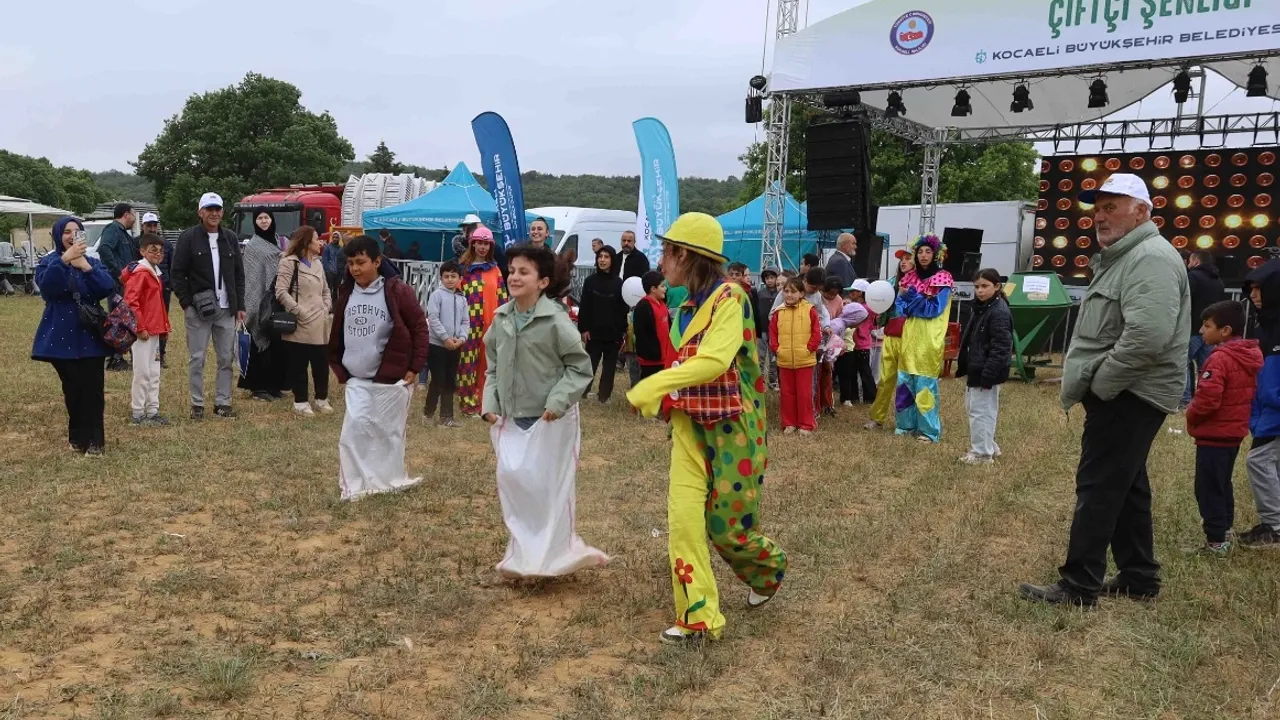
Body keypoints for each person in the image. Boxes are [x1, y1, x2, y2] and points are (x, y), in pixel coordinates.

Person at [1020, 173, 1189, 606]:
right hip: (1129, 392)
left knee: (1098, 486)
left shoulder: (1149, 258)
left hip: (1129, 393)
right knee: (1127, 485)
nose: (1100, 216)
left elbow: (1147, 337)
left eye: (1111, 207)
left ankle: (1079, 585)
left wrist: (1103, 384)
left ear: (1142, 211)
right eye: (1097, 209)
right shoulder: (1129, 257)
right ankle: (1138, 576)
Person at [626, 212, 787, 646]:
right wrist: (666, 397)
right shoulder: (683, 307)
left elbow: (715, 359)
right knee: (683, 524)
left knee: (727, 529)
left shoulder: (731, 298)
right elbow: (686, 365)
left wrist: (655, 384)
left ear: (686, 255)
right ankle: (698, 618)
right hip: (690, 430)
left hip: (735, 431)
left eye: (667, 251)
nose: (661, 259)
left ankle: (768, 570)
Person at [482, 246, 607, 577]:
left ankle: (553, 556)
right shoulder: (502, 319)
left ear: (543, 282)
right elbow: (492, 365)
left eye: (524, 272)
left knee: (548, 489)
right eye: (512, 271)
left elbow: (579, 367)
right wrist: (490, 403)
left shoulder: (556, 321)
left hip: (551, 420)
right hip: (512, 417)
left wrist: (557, 402)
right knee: (517, 484)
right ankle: (524, 554)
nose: (514, 277)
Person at [329, 234, 430, 500]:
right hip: (356, 378)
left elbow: (419, 328)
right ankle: (353, 485)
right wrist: (338, 365)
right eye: (351, 263)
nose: (355, 268)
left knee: (387, 433)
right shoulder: (346, 292)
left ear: (377, 261)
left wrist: (415, 366)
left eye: (361, 262)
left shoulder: (397, 292)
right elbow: (338, 330)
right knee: (354, 430)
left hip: (390, 378)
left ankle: (386, 479)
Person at [31, 216, 114, 456]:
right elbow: (47, 288)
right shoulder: (49, 262)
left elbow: (107, 287)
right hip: (61, 336)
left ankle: (96, 441)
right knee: (73, 389)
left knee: (93, 390)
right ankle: (78, 438)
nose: (72, 236)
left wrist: (86, 267)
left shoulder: (92, 261)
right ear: (58, 235)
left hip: (90, 335)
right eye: (66, 231)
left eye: (76, 231)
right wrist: (65, 260)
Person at [1185, 300, 1261, 555]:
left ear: (1225, 330)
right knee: (1222, 483)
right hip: (1233, 433)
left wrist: (1191, 414)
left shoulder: (1219, 358)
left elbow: (1208, 399)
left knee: (1208, 488)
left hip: (1214, 434)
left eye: (1207, 326)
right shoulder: (1247, 355)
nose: (1201, 331)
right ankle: (1225, 532)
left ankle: (1216, 541)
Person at [171, 192, 246, 420]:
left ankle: (223, 402)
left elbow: (238, 274)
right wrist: (187, 303)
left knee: (226, 358)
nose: (214, 213)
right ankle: (197, 404)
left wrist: (240, 305)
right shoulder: (188, 238)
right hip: (198, 309)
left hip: (226, 309)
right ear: (200, 212)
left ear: (222, 212)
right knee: (197, 358)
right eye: (210, 209)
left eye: (218, 209)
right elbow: (177, 273)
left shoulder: (230, 238)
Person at [893, 235, 954, 443]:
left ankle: (928, 431)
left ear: (936, 254)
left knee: (924, 383)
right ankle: (905, 425)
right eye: (920, 252)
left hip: (929, 337)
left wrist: (911, 297)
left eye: (928, 251)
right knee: (905, 381)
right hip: (910, 335)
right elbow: (901, 309)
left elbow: (933, 309)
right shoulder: (909, 278)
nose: (923, 255)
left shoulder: (943, 279)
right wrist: (915, 301)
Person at [955, 269, 1012, 465]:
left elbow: (1001, 347)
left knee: (981, 411)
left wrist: (988, 374)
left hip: (986, 371)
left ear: (997, 286)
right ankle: (989, 446)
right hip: (977, 367)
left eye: (985, 286)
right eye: (977, 286)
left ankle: (982, 454)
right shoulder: (983, 308)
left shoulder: (998, 312)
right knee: (977, 409)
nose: (980, 291)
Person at [1241, 261, 1280, 548]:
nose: (1254, 295)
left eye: (1260, 288)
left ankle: (1275, 526)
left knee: (1259, 460)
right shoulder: (1265, 323)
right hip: (1267, 411)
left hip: (1274, 411)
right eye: (1252, 289)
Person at [277, 226, 333, 416]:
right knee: (299, 364)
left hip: (320, 321)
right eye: (317, 239)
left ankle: (321, 399)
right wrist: (298, 311)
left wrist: (326, 307)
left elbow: (326, 290)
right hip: (301, 322)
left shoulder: (318, 263)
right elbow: (281, 292)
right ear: (307, 242)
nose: (321, 242)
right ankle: (300, 402)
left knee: (321, 364)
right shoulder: (288, 262)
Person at [457, 226, 508, 416]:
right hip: (468, 325)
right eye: (479, 243)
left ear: (491, 246)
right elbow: (456, 296)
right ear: (472, 244)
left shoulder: (495, 270)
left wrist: (502, 321)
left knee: (488, 364)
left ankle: (485, 402)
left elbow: (502, 298)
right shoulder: (463, 269)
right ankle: (468, 403)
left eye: (486, 244)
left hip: (490, 324)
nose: (482, 247)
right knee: (467, 363)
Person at [122, 234, 172, 426]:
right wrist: (140, 327)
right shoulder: (141, 273)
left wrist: (163, 327)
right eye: (153, 250)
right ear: (142, 251)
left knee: (153, 372)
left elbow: (156, 305)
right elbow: (131, 302)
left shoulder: (154, 273)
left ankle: (152, 410)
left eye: (160, 251)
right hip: (143, 332)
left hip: (154, 330)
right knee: (142, 372)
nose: (158, 254)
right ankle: (138, 412)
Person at [238, 210, 288, 401]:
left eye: (267, 217)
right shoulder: (253, 246)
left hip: (279, 300)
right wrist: (252, 305)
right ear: (255, 222)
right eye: (259, 218)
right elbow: (251, 276)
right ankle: (258, 387)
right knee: (260, 343)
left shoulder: (281, 241)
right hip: (258, 300)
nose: (264, 221)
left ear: (272, 220)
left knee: (278, 344)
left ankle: (275, 386)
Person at [866, 251, 913, 430]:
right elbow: (882, 306)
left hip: (911, 338)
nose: (903, 262)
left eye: (908, 258)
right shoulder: (892, 283)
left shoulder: (920, 283)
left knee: (907, 381)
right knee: (885, 380)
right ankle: (877, 418)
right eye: (901, 259)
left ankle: (906, 422)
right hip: (892, 336)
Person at [578, 244, 628, 403]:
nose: (602, 260)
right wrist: (583, 329)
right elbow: (584, 306)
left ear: (612, 260)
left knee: (609, 366)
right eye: (600, 256)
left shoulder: (619, 284)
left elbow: (622, 309)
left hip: (613, 333)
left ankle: (604, 395)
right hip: (593, 332)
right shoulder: (590, 281)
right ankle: (583, 392)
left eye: (606, 257)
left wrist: (622, 331)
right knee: (589, 364)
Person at [772, 276, 821, 434]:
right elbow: (773, 333)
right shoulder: (778, 312)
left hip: (804, 360)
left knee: (804, 394)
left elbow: (816, 333)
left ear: (801, 293)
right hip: (784, 359)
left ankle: (806, 424)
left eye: (793, 292)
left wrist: (809, 349)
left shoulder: (810, 310)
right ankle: (789, 423)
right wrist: (777, 349)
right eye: (786, 291)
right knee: (787, 393)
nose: (789, 295)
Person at [425, 260, 468, 427]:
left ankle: (447, 417)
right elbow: (433, 318)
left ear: (460, 278)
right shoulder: (436, 295)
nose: (450, 279)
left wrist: (461, 339)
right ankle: (428, 414)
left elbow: (465, 321)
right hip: (437, 345)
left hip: (455, 346)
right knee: (438, 380)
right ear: (441, 278)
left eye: (453, 276)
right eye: (446, 276)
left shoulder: (462, 298)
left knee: (450, 380)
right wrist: (445, 338)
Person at [97, 202, 137, 372]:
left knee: (126, 319)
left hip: (126, 284)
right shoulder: (113, 229)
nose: (134, 219)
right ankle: (114, 359)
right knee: (117, 320)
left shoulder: (124, 234)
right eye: (133, 215)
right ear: (126, 214)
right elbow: (104, 249)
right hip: (117, 285)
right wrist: (119, 273)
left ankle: (120, 357)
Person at [1184, 251, 1225, 408]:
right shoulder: (1218, 280)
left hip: (1191, 329)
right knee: (1207, 368)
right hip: (1211, 331)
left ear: (1196, 261)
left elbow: (1185, 301)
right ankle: (1205, 398)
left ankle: (1185, 399)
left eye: (1190, 260)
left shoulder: (1192, 277)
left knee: (1183, 364)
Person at [139, 212, 173, 367]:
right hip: (143, 290)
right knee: (142, 321)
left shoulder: (167, 245)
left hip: (162, 289)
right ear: (143, 226)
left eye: (154, 225)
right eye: (149, 225)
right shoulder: (136, 244)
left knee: (161, 321)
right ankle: (140, 355)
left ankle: (161, 355)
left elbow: (172, 265)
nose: (152, 228)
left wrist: (170, 284)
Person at [830, 280, 871, 407]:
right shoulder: (838, 327)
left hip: (847, 351)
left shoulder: (840, 325)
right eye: (860, 321)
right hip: (831, 357)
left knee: (847, 374)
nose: (859, 325)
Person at [633, 271, 674, 382]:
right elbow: (641, 334)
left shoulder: (662, 304)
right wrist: (652, 353)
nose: (665, 289)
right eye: (662, 286)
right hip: (651, 360)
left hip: (664, 357)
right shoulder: (643, 307)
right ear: (653, 289)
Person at [843, 279, 877, 405]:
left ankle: (868, 396)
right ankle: (859, 396)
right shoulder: (866, 307)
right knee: (855, 371)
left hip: (861, 343)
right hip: (855, 342)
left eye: (854, 291)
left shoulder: (866, 308)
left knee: (864, 371)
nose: (850, 293)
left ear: (861, 293)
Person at [755, 269, 779, 387]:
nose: (769, 280)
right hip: (762, 330)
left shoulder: (780, 294)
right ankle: (760, 382)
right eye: (767, 278)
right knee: (760, 356)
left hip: (775, 331)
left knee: (774, 357)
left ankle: (773, 382)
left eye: (772, 278)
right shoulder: (760, 293)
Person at [322, 230, 344, 306]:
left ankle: (334, 306)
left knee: (336, 290)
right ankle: (328, 305)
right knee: (328, 290)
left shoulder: (341, 248)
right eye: (333, 237)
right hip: (330, 272)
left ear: (339, 238)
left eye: (337, 237)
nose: (335, 239)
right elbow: (325, 261)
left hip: (338, 273)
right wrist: (327, 270)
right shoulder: (327, 247)